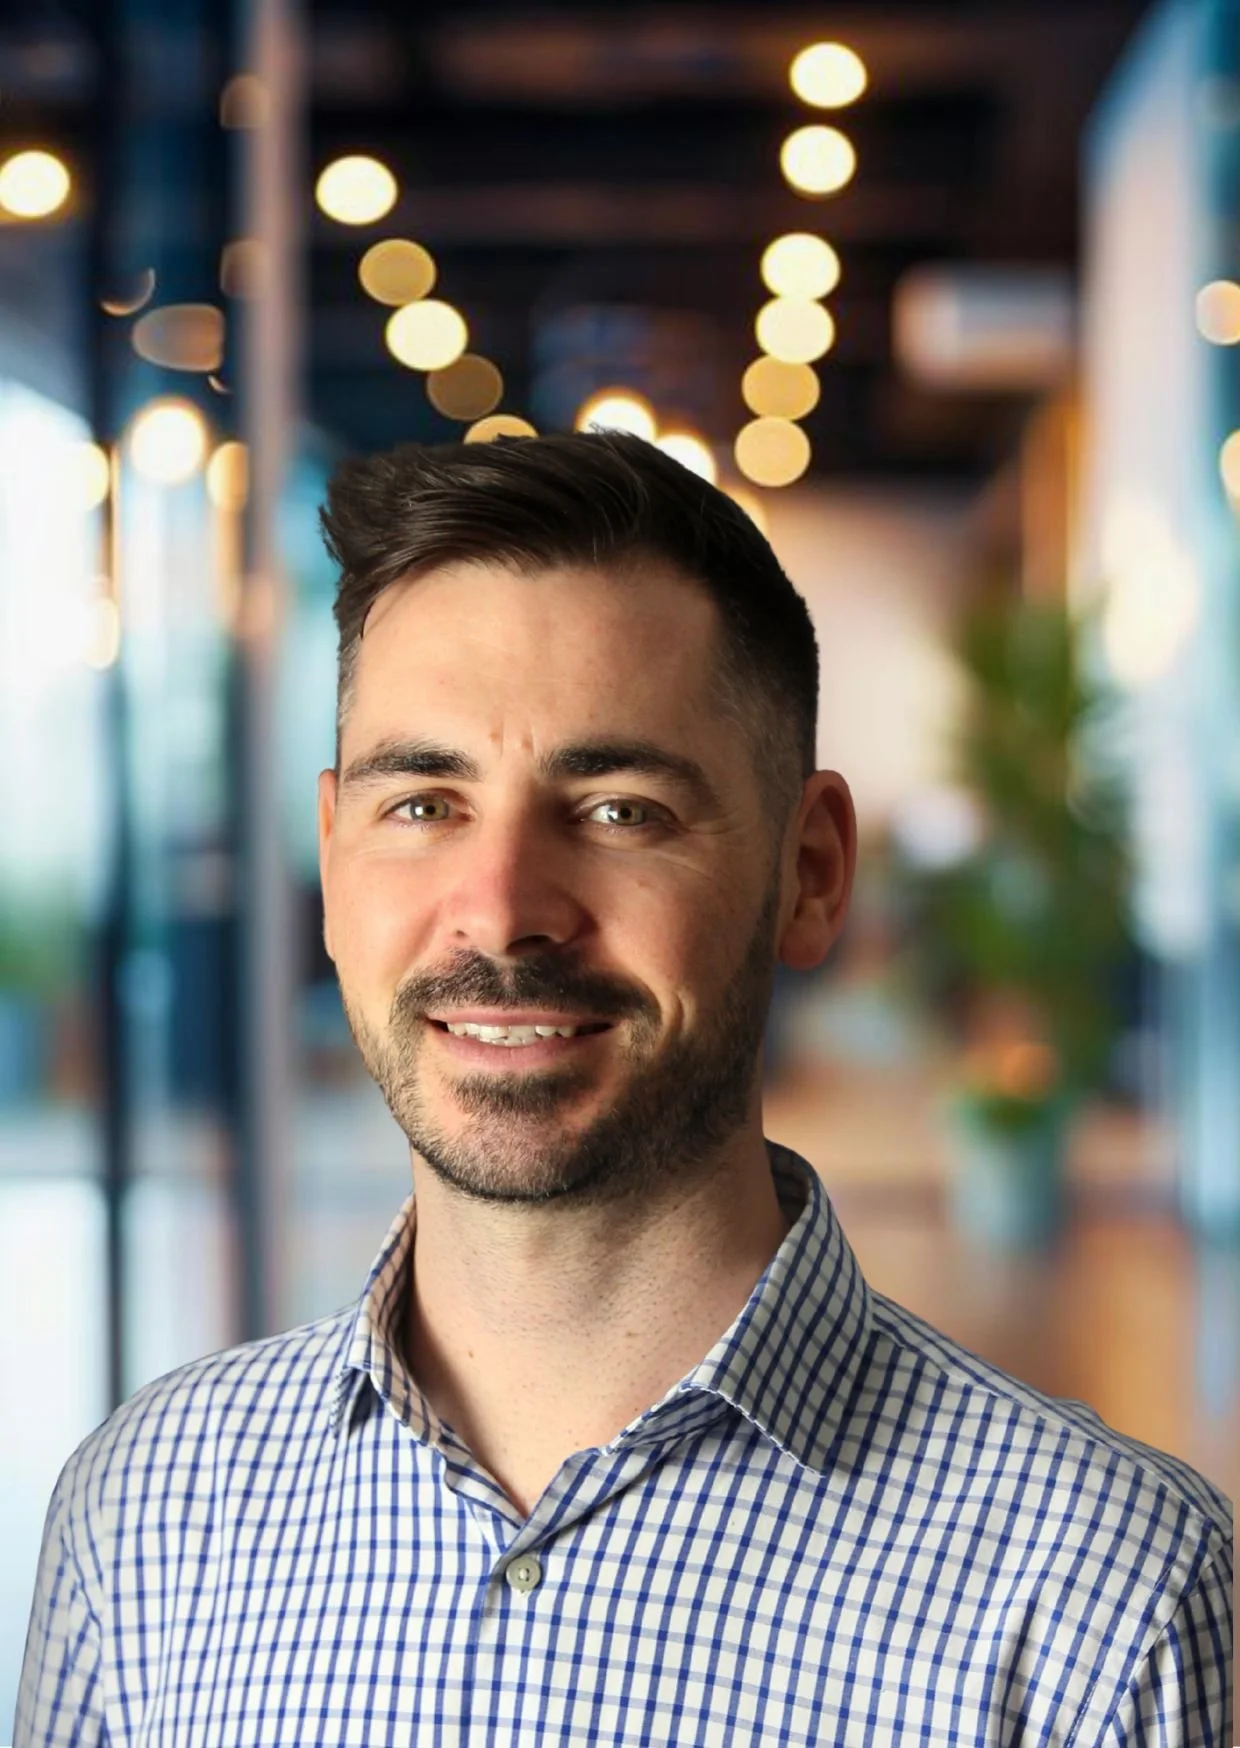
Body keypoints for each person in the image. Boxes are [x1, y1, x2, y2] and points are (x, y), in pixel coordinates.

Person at [17, 432, 1232, 1745]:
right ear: (331, 854)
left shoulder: (1100, 1601)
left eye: (617, 811)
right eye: (422, 804)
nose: (501, 911)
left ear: (812, 870)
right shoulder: (144, 1516)